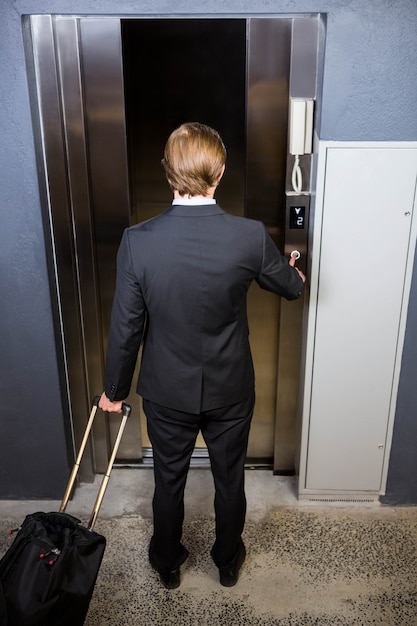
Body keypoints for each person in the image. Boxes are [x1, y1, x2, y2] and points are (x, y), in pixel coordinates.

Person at [99, 122, 305, 590]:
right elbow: (291, 288)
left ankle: (167, 563)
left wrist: (114, 391)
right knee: (229, 479)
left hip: (167, 390)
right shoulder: (248, 236)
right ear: (221, 172)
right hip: (231, 388)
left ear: (169, 171)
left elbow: (127, 326)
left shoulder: (139, 241)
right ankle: (228, 561)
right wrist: (292, 269)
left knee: (168, 479)